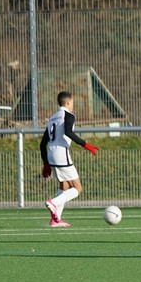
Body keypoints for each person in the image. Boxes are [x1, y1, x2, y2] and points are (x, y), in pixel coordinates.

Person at [40, 91, 99, 227]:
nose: (73, 104)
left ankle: (55, 220)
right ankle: (53, 202)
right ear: (67, 102)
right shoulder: (69, 115)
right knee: (78, 188)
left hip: (51, 154)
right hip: (62, 155)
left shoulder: (52, 118)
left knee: (64, 186)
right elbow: (68, 132)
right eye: (72, 102)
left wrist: (46, 162)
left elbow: (43, 143)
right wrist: (86, 144)